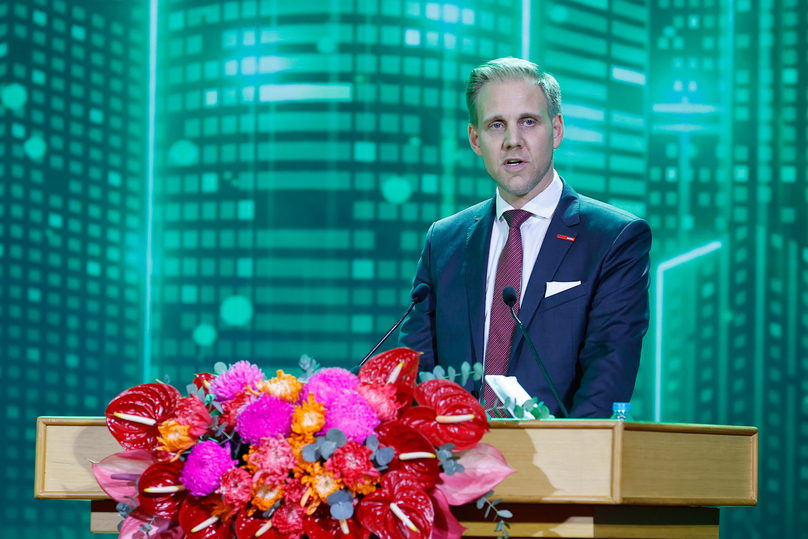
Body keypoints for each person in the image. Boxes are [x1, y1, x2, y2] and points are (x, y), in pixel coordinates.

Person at [398, 58, 651, 418]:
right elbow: (416, 372)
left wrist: (567, 465)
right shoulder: (445, 240)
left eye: (528, 122)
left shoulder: (614, 239)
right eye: (496, 125)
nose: (512, 141)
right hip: (453, 464)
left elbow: (608, 373)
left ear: (557, 129)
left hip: (560, 467)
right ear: (475, 139)